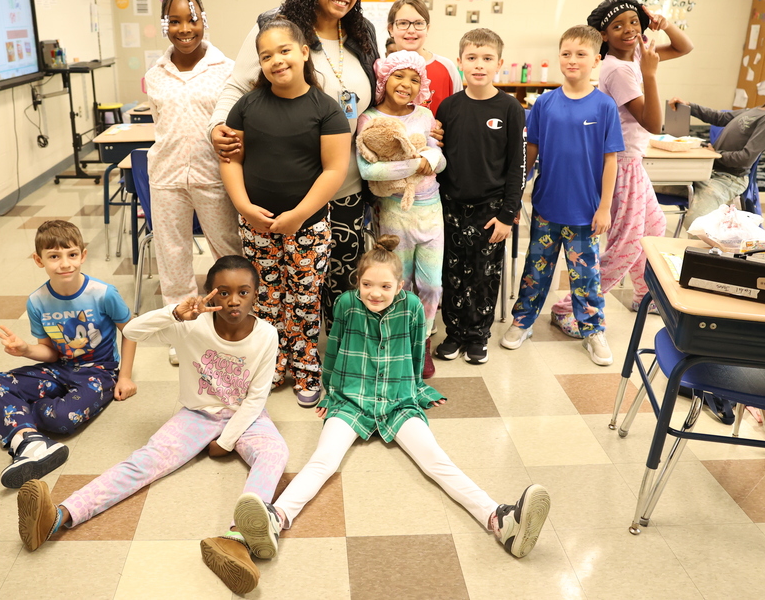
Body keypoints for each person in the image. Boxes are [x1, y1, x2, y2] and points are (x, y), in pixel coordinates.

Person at [207, 237, 550, 593]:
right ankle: (276, 519)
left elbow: (418, 350)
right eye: (367, 284)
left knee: (437, 462)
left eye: (385, 286)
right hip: (352, 399)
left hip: (398, 398)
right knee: (323, 461)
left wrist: (418, 390)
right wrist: (331, 392)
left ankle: (500, 520)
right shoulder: (345, 305)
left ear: (399, 286)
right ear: (358, 281)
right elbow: (336, 346)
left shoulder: (414, 307)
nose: (375, 292)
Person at [14, 256, 288, 595]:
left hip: (246, 415)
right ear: (210, 295)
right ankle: (59, 516)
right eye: (224, 292)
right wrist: (173, 313)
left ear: (256, 295)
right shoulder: (190, 324)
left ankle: (238, 539)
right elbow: (131, 331)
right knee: (144, 461)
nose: (233, 301)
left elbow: (257, 397)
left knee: (276, 452)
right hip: (197, 414)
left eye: (243, 292)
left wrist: (227, 441)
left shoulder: (267, 335)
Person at [209, 0, 377, 335]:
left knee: (339, 282)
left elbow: (378, 93)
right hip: (285, 186)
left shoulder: (360, 31)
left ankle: (336, 358)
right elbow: (237, 85)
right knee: (279, 288)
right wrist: (218, 126)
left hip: (345, 182)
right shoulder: (278, 26)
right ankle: (281, 355)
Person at [219, 17, 352, 407]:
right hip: (256, 224)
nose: (276, 60)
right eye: (266, 56)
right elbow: (231, 161)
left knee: (305, 298)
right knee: (266, 298)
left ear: (304, 52)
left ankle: (307, 366)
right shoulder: (247, 106)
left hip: (308, 225)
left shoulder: (327, 110)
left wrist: (297, 215)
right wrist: (244, 206)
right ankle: (273, 363)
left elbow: (334, 170)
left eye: (284, 50)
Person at [550, 0, 693, 331]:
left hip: (633, 161)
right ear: (603, 36)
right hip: (622, 162)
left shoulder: (637, 54)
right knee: (626, 245)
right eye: (618, 26)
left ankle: (645, 295)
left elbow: (684, 47)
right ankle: (567, 307)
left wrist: (663, 22)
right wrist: (651, 75)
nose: (629, 29)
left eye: (633, 21)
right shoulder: (619, 69)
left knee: (654, 230)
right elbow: (654, 124)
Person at [501, 25, 623, 366]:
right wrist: (515, 197)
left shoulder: (604, 107)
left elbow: (610, 161)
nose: (572, 60)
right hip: (546, 208)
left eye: (581, 54)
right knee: (535, 271)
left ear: (596, 60)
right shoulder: (544, 103)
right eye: (566, 53)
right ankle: (522, 321)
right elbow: (531, 153)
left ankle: (592, 331)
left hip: (585, 212)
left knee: (586, 278)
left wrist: (604, 208)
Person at [0, 220, 134, 488]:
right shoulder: (37, 301)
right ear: (39, 261)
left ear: (82, 255)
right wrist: (26, 349)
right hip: (59, 368)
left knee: (61, 419)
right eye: (54, 256)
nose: (65, 264)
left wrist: (126, 377)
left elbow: (131, 331)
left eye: (72, 254)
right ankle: (31, 444)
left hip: (99, 372)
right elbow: (50, 353)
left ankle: (13, 410)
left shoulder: (103, 294)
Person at [144, 0, 241, 366]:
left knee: (228, 250)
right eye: (175, 21)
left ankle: (234, 321)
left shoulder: (227, 70)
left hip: (212, 174)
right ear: (165, 24)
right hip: (166, 177)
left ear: (204, 20)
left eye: (192, 20)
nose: (185, 29)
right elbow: (160, 124)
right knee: (173, 257)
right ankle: (182, 332)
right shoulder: (155, 74)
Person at [434, 29, 526, 365]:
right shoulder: (448, 107)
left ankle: (478, 335)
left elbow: (518, 164)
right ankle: (455, 333)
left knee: (485, 275)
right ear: (460, 63)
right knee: (453, 273)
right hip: (451, 206)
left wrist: (508, 213)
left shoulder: (510, 108)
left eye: (487, 58)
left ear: (499, 63)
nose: (479, 65)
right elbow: (439, 158)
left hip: (491, 209)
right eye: (471, 58)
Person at [356, 51, 445, 377]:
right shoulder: (369, 119)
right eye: (399, 75)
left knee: (432, 284)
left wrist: (432, 160)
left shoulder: (424, 115)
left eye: (414, 79)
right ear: (384, 79)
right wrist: (414, 164)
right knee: (400, 283)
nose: (406, 84)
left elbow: (439, 160)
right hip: (393, 214)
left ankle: (422, 341)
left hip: (431, 211)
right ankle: (398, 342)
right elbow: (368, 170)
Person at [656, 64, 765, 227]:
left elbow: (745, 159)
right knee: (646, 185)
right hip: (706, 171)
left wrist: (716, 154)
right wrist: (690, 107)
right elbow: (720, 117)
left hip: (727, 179)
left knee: (696, 224)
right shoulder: (757, 110)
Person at [386, 0, 463, 115]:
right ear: (391, 29)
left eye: (419, 23)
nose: (411, 30)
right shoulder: (382, 69)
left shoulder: (447, 68)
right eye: (403, 23)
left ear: (427, 28)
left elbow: (458, 114)